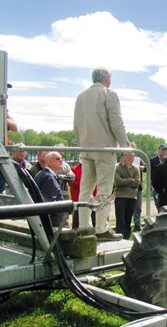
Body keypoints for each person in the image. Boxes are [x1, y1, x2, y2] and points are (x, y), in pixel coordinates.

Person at [74, 67, 129, 241]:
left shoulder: (81, 97)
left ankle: (84, 225)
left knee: (85, 189)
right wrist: (125, 147)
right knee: (104, 189)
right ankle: (101, 227)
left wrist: (80, 145)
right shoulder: (109, 94)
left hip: (86, 147)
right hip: (105, 148)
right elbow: (116, 121)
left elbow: (76, 124)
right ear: (107, 79)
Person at [34, 152, 66, 227]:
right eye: (58, 159)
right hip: (52, 223)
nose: (61, 161)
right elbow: (50, 203)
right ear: (49, 162)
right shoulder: (49, 177)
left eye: (62, 159)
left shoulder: (43, 173)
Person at [114, 151, 140, 239]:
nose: (131, 159)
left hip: (132, 197)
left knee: (128, 219)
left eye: (133, 157)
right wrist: (130, 180)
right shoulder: (118, 167)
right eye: (129, 157)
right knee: (120, 219)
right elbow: (117, 181)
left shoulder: (136, 169)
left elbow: (137, 183)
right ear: (125, 157)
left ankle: (126, 237)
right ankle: (119, 237)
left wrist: (125, 181)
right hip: (120, 196)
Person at [69, 160, 96, 229]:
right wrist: (85, 184)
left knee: (94, 219)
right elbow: (71, 182)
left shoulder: (94, 169)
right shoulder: (74, 169)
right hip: (77, 199)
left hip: (93, 199)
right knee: (77, 220)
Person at [150, 144, 167, 209]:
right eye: (162, 150)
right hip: (156, 186)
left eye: (164, 150)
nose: (163, 151)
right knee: (158, 204)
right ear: (158, 150)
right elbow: (150, 172)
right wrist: (150, 185)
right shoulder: (152, 160)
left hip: (165, 186)